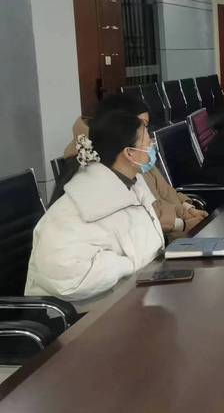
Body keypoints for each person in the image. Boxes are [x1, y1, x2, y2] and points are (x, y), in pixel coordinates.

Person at [26, 110, 165, 301]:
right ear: (129, 153)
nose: (152, 146)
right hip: (86, 313)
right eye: (147, 142)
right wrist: (129, 264)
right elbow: (67, 276)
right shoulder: (79, 205)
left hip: (135, 292)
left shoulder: (132, 185)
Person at [62, 93, 207, 237]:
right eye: (142, 127)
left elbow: (163, 192)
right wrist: (183, 224)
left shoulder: (136, 160)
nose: (149, 139)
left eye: (146, 126)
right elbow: (145, 216)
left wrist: (187, 209)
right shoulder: (111, 168)